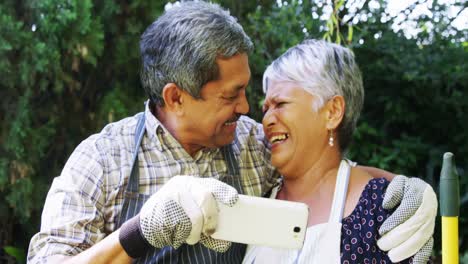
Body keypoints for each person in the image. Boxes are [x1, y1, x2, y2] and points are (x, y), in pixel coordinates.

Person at [28, 2, 436, 263]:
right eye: (231, 95)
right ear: (176, 97)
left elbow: (321, 167)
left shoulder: (251, 147)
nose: (247, 109)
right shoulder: (100, 161)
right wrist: (140, 234)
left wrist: (406, 192)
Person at [242, 40, 436, 263]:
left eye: (281, 104)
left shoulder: (382, 208)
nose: (266, 119)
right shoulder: (255, 190)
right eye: (266, 108)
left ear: (332, 112)